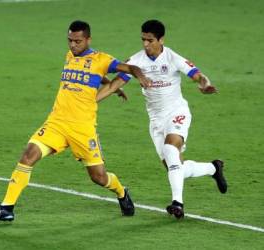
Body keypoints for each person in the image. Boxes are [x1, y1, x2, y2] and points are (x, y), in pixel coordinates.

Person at [0, 20, 151, 221]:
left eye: (77, 41)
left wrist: (141, 78)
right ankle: (7, 208)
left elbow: (131, 68)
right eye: (69, 41)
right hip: (57, 122)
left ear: (88, 39)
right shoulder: (70, 56)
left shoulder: (101, 59)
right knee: (28, 155)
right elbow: (90, 75)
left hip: (83, 128)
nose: (72, 45)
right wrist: (109, 85)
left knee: (99, 177)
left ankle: (122, 192)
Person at [96, 20, 227, 219]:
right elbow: (114, 85)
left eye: (150, 40)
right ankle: (213, 168)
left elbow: (197, 74)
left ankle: (177, 204)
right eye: (143, 40)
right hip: (156, 121)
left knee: (170, 150)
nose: (146, 44)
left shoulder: (172, 57)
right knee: (176, 169)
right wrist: (91, 101)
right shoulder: (136, 61)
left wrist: (204, 84)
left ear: (161, 40)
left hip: (177, 112)